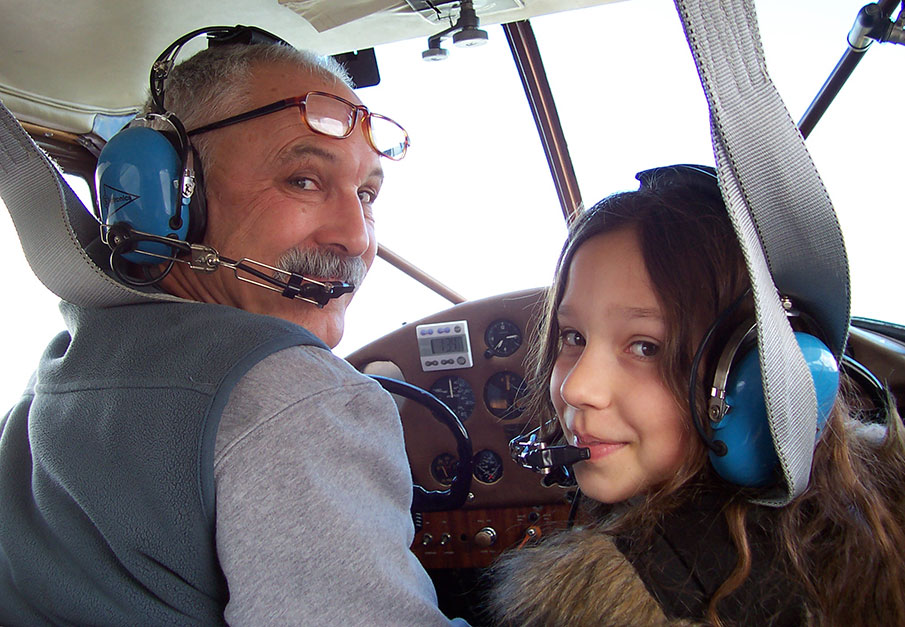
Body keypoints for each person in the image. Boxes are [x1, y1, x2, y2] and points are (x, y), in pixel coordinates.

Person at [0, 29, 465, 626]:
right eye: (303, 180)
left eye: (367, 193)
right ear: (167, 198)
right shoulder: (291, 392)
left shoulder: (61, 376)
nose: (357, 236)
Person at [487, 164, 905, 626]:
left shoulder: (622, 600)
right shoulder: (865, 513)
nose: (575, 387)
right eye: (573, 337)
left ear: (757, 377)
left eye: (645, 347)